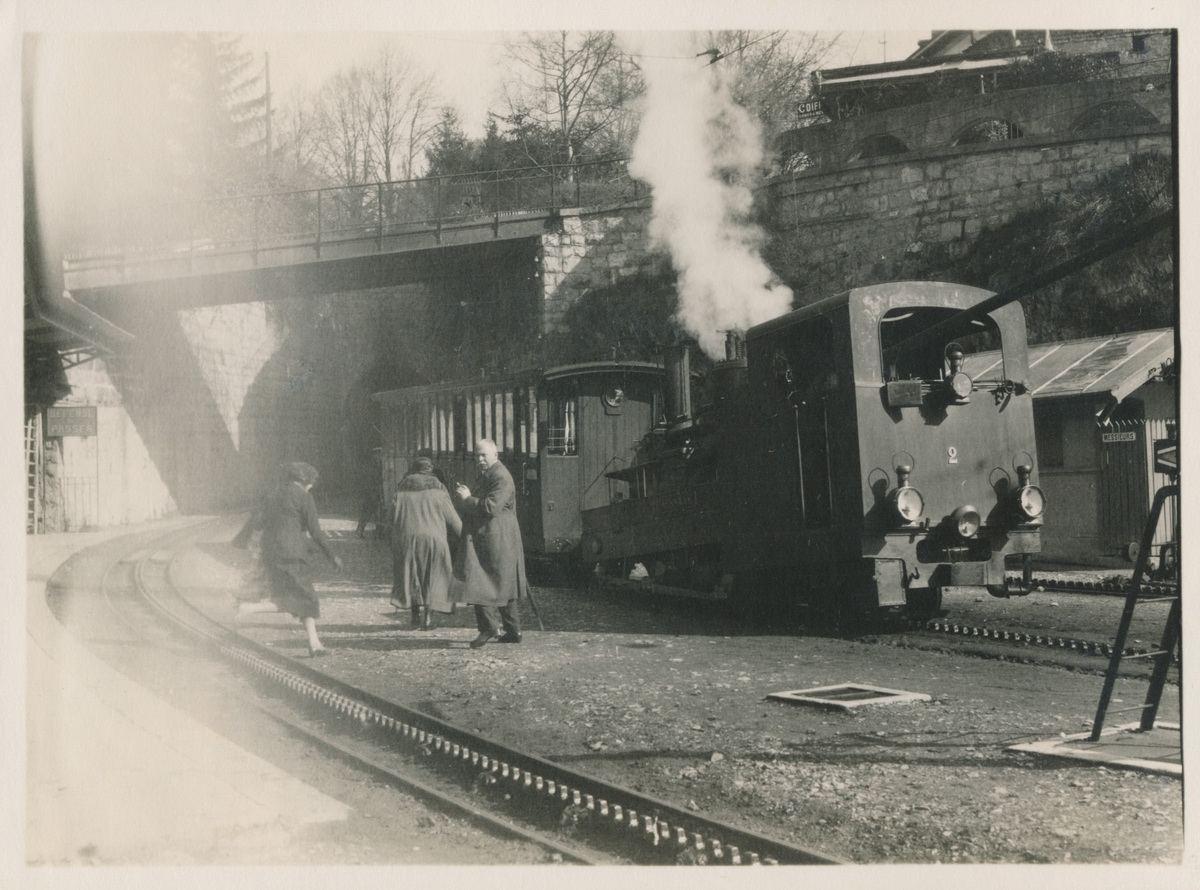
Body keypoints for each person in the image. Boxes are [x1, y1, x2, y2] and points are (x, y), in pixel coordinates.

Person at [234, 461, 343, 656]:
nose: (311, 487)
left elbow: (256, 521)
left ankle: (314, 644)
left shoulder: (272, 495)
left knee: (293, 598)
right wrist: (332, 555)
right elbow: (315, 531)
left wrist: (241, 541)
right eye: (311, 484)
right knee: (305, 599)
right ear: (305, 481)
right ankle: (249, 608)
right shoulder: (304, 497)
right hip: (293, 555)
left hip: (271, 554)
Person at [454, 439, 528, 648]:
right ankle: (513, 631)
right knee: (503, 583)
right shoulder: (492, 474)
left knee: (480, 579)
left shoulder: (501, 477)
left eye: (483, 455)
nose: (479, 459)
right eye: (476, 455)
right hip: (495, 537)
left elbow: (490, 507)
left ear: (495, 455)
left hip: (496, 537)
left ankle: (489, 628)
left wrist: (468, 498)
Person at [390, 456, 462, 629]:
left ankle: (415, 616)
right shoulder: (439, 489)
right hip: (434, 539)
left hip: (407, 538)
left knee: (412, 575)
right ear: (431, 470)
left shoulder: (401, 489)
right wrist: (467, 536)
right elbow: (453, 520)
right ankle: (428, 619)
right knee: (434, 576)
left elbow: (391, 518)